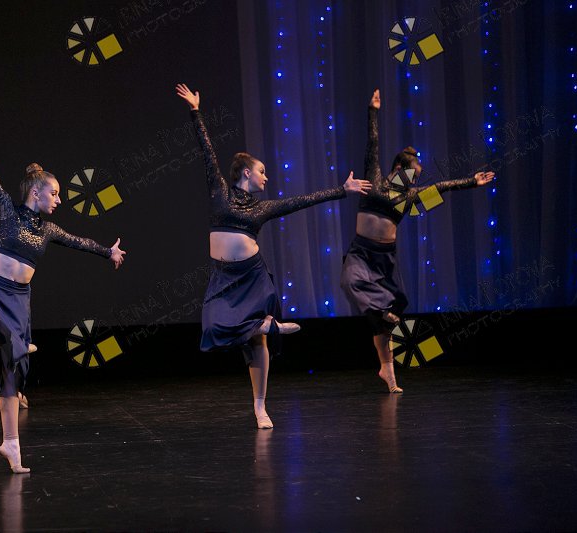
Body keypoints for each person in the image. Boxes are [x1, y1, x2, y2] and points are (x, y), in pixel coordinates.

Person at [0, 106, 126, 473]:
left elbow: (78, 241)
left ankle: (11, 444)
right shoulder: (7, 210)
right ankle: (15, 344)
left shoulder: (49, 229)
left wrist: (109, 251)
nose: (59, 200)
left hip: (18, 301)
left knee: (9, 377)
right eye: (54, 193)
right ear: (37, 192)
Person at [176, 83, 371, 429]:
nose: (266, 177)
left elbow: (301, 202)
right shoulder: (219, 192)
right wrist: (195, 111)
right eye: (262, 171)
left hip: (252, 277)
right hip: (223, 278)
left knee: (258, 343)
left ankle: (260, 406)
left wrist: (342, 191)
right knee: (213, 325)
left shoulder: (262, 207)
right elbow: (206, 152)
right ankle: (266, 324)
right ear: (247, 173)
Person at [340, 89, 495, 393]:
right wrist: (373, 111)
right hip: (362, 252)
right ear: (399, 169)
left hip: (386, 257)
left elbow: (442, 188)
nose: (415, 181)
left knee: (387, 318)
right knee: (350, 282)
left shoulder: (410, 197)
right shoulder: (374, 179)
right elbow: (373, 144)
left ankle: (388, 372)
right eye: (413, 175)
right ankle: (382, 321)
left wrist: (471, 182)